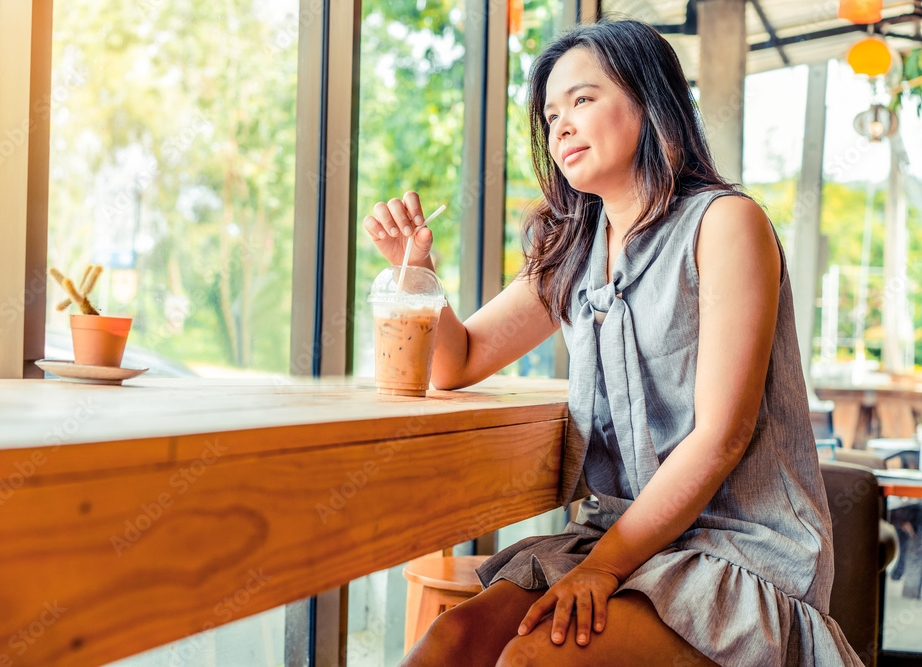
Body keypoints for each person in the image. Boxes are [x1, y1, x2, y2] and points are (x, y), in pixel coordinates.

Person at [363, 19, 861, 667]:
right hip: (615, 538)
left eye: (583, 99)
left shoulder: (724, 223)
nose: (560, 125)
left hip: (733, 551)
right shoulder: (572, 249)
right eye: (549, 113)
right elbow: (457, 360)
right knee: (448, 643)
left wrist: (602, 567)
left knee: (534, 659)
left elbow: (722, 436)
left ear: (651, 102)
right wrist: (415, 270)